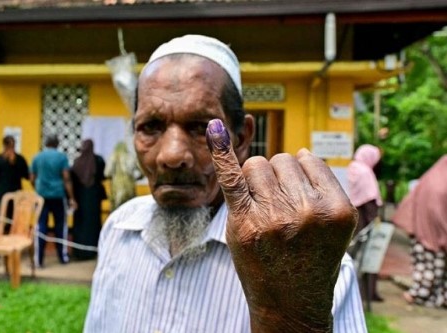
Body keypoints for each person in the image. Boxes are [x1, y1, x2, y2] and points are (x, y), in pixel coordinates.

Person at [84, 35, 365, 332]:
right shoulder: (118, 231)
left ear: (241, 137)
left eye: (199, 127)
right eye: (150, 127)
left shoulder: (306, 268)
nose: (172, 155)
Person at [393, 155, 447, 308]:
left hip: (422, 231)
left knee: (426, 266)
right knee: (433, 268)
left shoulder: (432, 178)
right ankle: (426, 295)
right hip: (433, 233)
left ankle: (423, 295)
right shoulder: (441, 185)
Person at [30, 134, 77, 266]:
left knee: (41, 227)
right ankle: (62, 257)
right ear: (57, 144)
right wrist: (72, 198)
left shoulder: (37, 157)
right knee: (60, 227)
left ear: (46, 143)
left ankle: (38, 260)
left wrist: (38, 189)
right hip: (58, 195)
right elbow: (66, 178)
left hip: (41, 196)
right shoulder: (62, 157)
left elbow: (32, 178)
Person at [348, 144, 384, 302]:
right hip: (365, 223)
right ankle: (368, 294)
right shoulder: (365, 172)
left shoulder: (352, 167)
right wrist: (375, 223)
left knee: (350, 258)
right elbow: (370, 200)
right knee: (369, 257)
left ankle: (352, 292)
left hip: (352, 222)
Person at [70, 139, 107, 260]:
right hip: (94, 199)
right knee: (93, 224)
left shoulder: (76, 162)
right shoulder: (98, 160)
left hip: (80, 198)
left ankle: (78, 252)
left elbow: (72, 181)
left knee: (80, 225)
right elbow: (102, 176)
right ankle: (92, 251)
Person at [0, 135, 29, 230]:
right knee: (14, 217)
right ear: (15, 145)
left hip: (1, 193)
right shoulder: (20, 159)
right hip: (16, 193)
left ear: (3, 145)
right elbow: (26, 176)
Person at [104, 141, 139, 211]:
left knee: (116, 211)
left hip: (116, 188)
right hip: (129, 187)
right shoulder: (130, 157)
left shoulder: (113, 157)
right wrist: (136, 178)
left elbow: (107, 173)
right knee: (130, 210)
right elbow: (141, 171)